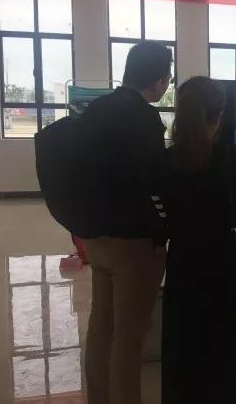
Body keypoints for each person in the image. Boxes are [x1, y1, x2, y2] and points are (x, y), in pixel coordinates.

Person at [81, 41, 172, 404]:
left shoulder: (97, 109)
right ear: (160, 79)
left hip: (97, 237)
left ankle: (99, 398)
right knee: (129, 336)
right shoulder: (145, 119)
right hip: (133, 243)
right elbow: (155, 182)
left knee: (101, 326)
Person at [161, 77, 236, 404]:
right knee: (231, 352)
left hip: (183, 267)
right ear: (219, 116)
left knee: (185, 350)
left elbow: (161, 216)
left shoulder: (166, 162)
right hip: (228, 268)